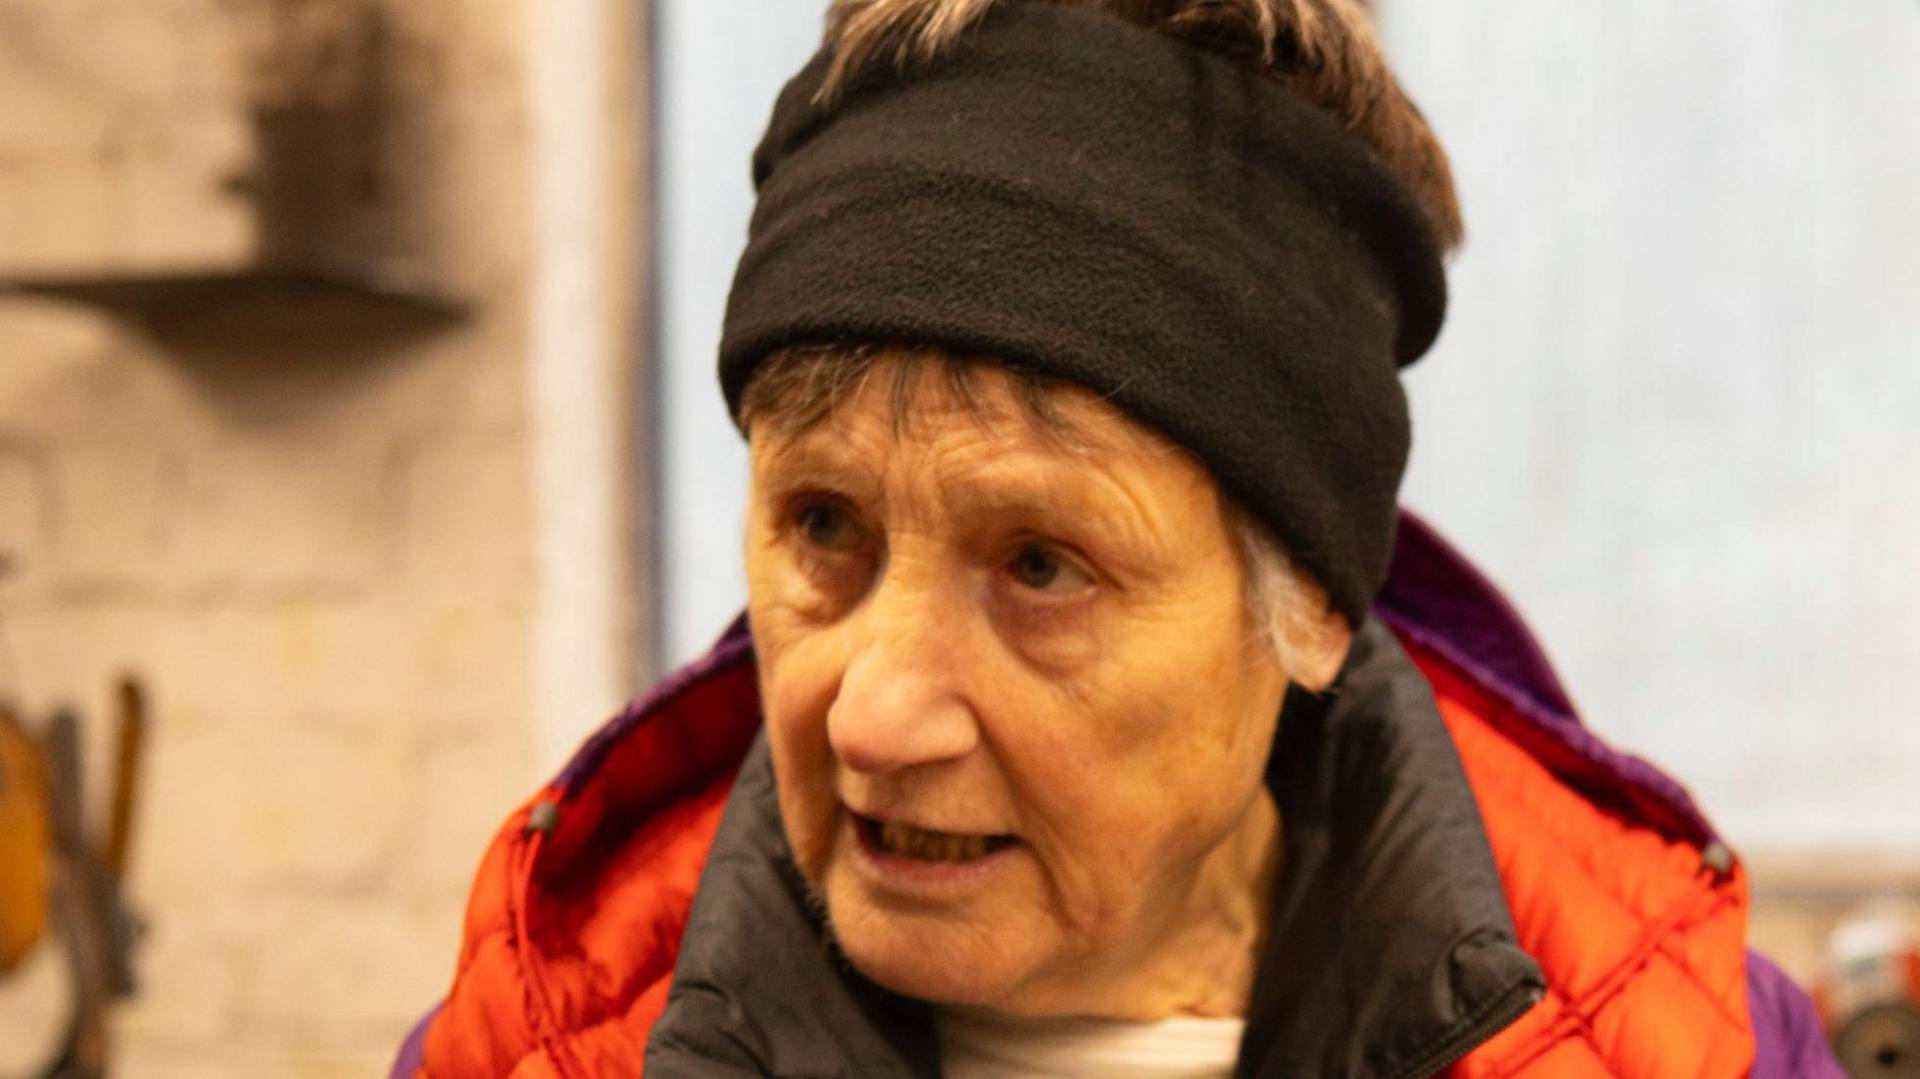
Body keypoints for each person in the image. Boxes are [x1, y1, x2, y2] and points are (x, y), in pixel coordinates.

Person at [392, 1, 1843, 1075]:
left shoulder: (1683, 1043)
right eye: (823, 526)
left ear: (1311, 606)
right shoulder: (542, 1034)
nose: (876, 714)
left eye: (1040, 566)